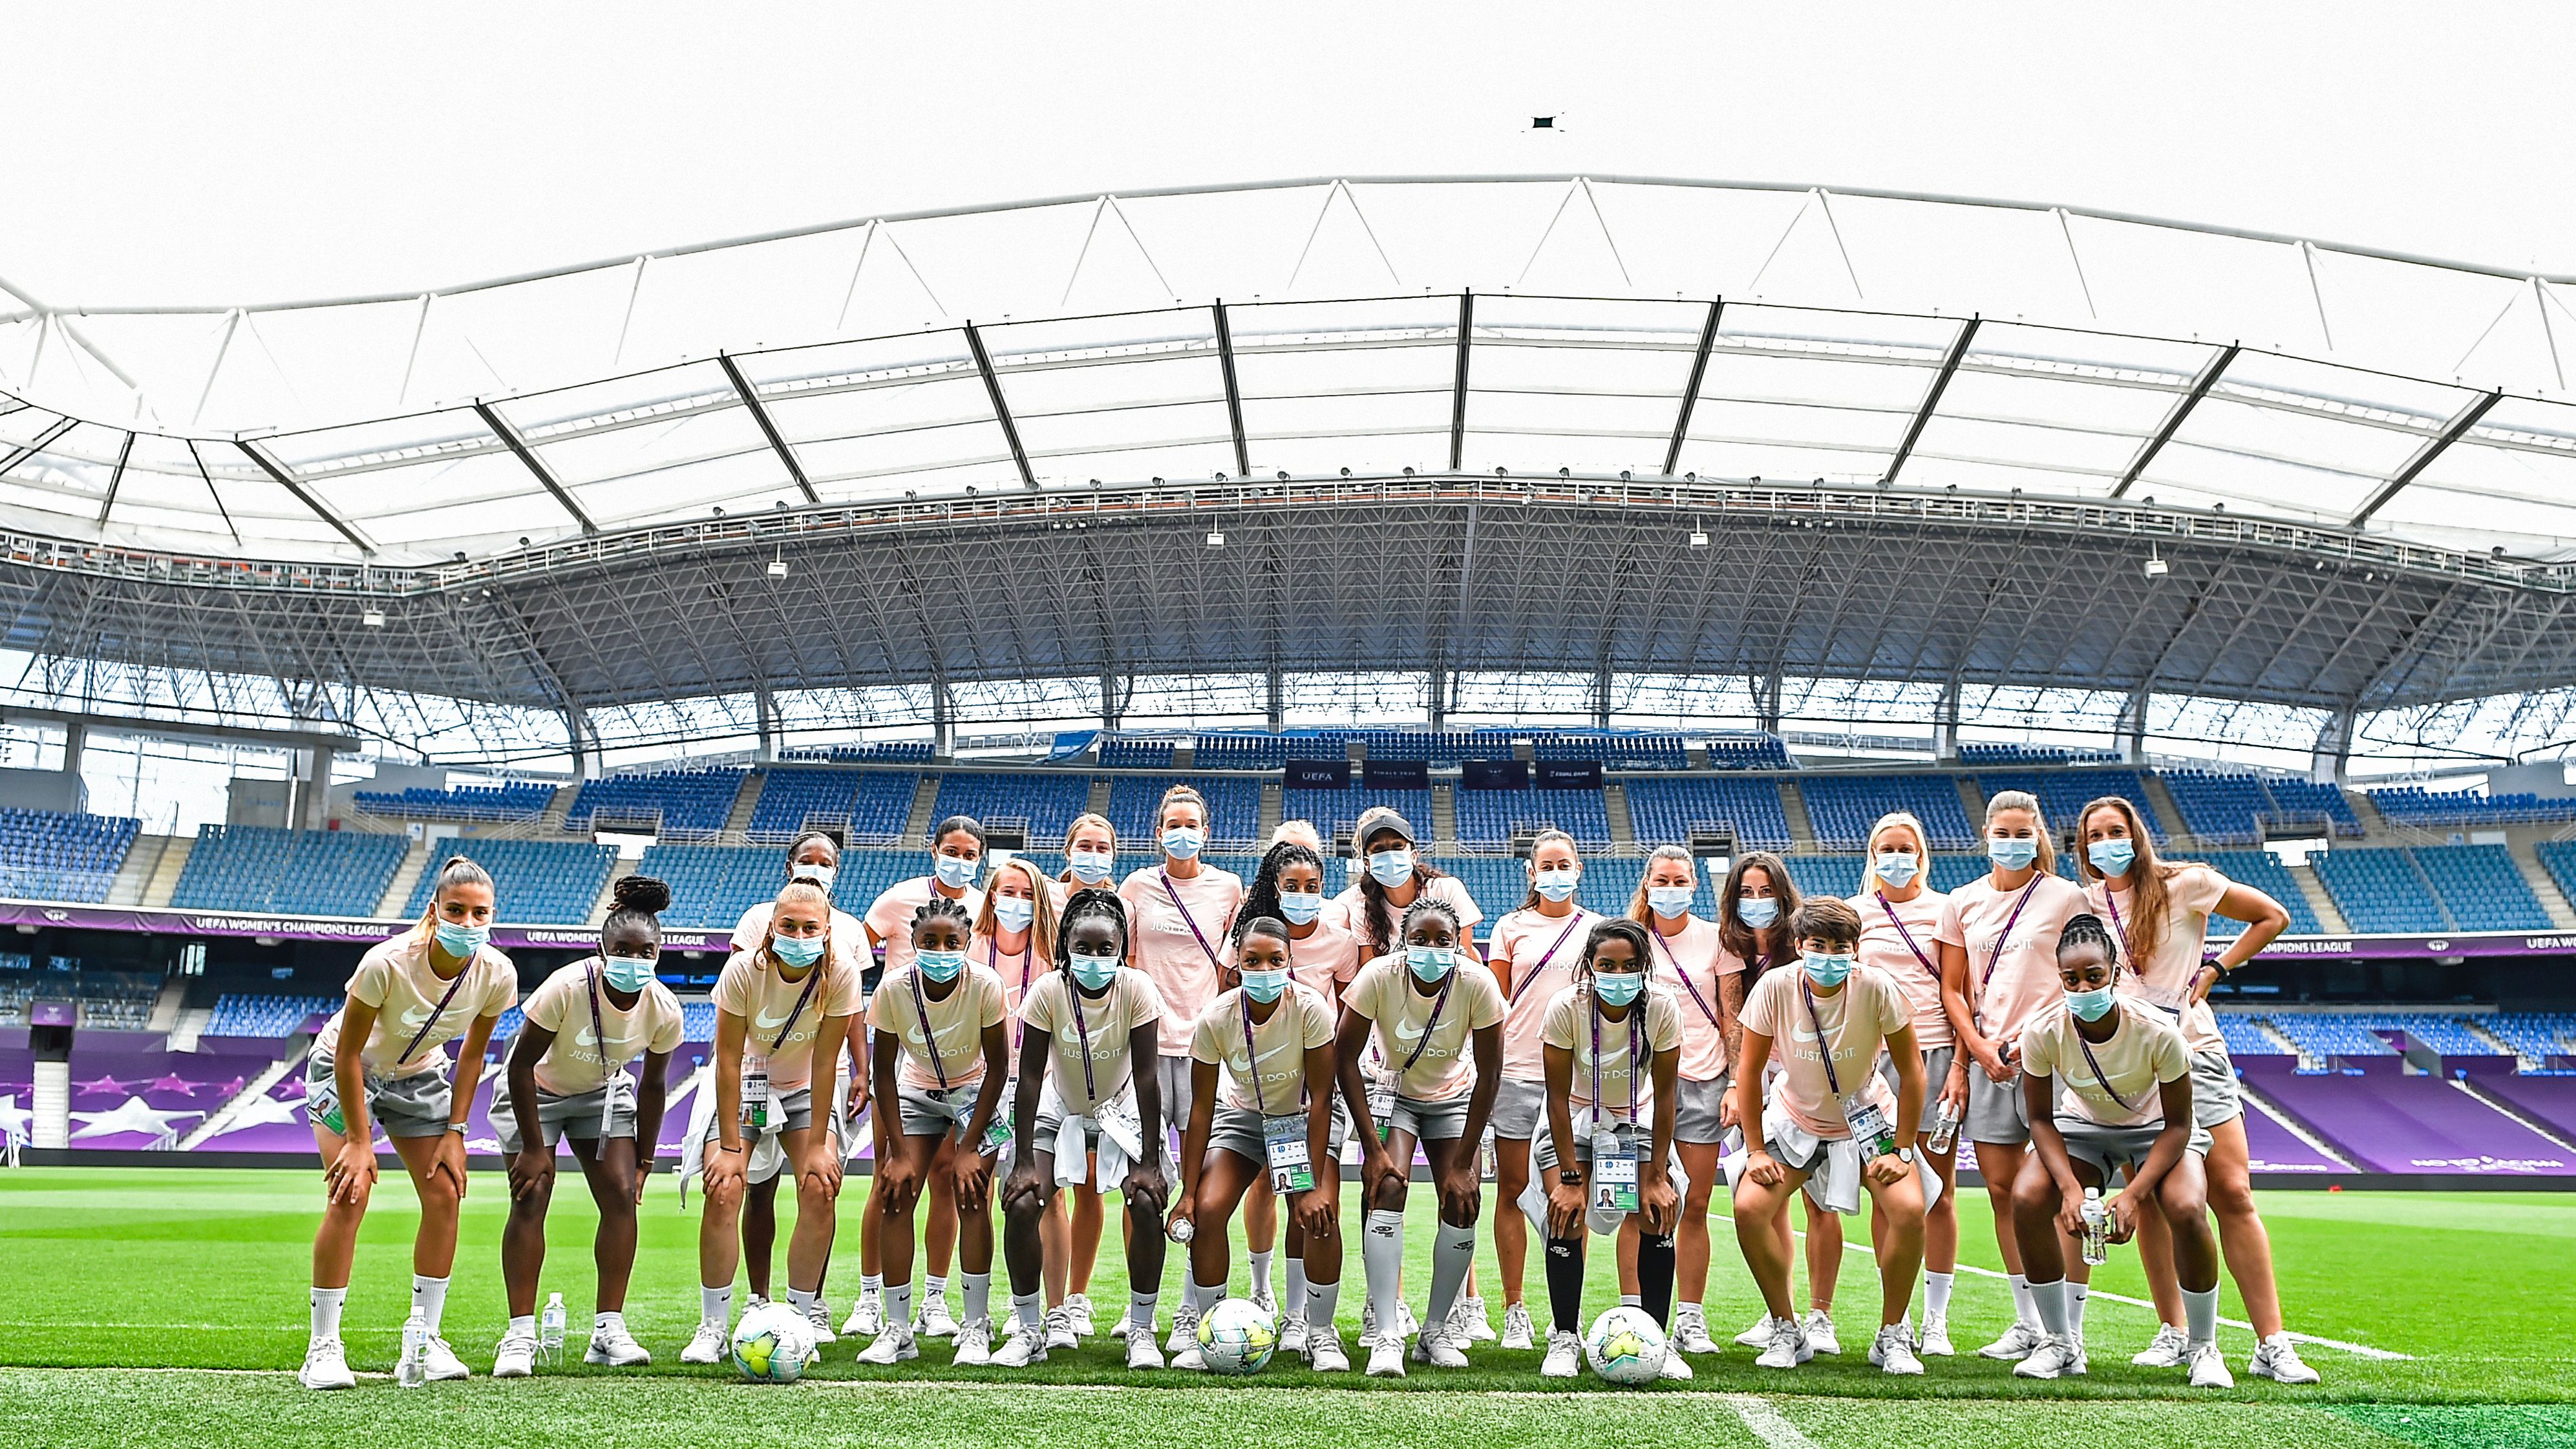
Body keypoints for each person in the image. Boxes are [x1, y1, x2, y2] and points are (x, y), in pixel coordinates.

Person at [2074, 796, 2317, 1384]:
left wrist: (2215, 970)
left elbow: (2271, 915)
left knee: (2231, 1192)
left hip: (2194, 1052)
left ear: (2136, 834)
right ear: (2082, 849)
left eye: (2117, 830)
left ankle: (2271, 1344)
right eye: (2095, 835)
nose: (2107, 841)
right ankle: (2175, 1332)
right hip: (2126, 1064)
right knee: (2152, 1196)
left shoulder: (2187, 883)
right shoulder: (2082, 903)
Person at [298, 856, 517, 1390]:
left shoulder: (496, 973)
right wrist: (357, 1139)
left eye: (479, 914)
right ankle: (322, 1349)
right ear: (433, 910)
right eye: (456, 911)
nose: (468, 924)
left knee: (445, 1193)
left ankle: (423, 1340)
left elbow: (471, 1057)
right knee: (350, 1192)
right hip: (345, 1068)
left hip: (419, 1074)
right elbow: (349, 1052)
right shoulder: (386, 963)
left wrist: (456, 1133)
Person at [2010, 913, 2230, 1386]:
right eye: (2071, 978)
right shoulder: (2042, 1031)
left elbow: (2177, 1125)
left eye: (2094, 976)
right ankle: (2059, 1343)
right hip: (2081, 1127)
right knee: (2027, 1198)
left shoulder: (2158, 1031)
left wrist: (2131, 1196)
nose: (2083, 987)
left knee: (2187, 1207)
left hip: (2155, 1128)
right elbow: (2042, 1120)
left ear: (2114, 973)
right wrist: (2070, 1190)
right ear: (2060, 977)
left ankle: (2203, 1347)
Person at [493, 875, 682, 1376]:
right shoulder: (567, 987)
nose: (634, 961)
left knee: (621, 1197)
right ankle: (519, 1336)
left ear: (659, 955)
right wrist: (535, 1148)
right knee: (531, 1194)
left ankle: (607, 1329)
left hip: (601, 1094)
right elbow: (519, 1066)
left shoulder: (664, 1008)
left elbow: (654, 1087)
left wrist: (645, 1161)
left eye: (646, 953)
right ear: (603, 949)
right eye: (623, 950)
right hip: (536, 1093)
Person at [1731, 898, 1930, 1376]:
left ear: (1855, 949)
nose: (1828, 954)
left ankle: (1892, 1334)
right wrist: (1755, 1149)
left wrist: (1902, 1150)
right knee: (1749, 1208)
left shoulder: (1877, 988)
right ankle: (1786, 1326)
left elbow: (1912, 1071)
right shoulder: (1775, 987)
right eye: (1817, 944)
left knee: (1906, 1208)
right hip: (1795, 1119)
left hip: (1866, 1118)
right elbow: (1749, 1069)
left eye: (1839, 945)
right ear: (1799, 946)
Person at [683, 880, 861, 1366]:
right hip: (744, 1083)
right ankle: (713, 1327)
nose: (798, 935)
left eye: (810, 927)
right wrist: (730, 1146)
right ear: (771, 929)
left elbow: (826, 1063)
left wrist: (823, 1145)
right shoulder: (743, 970)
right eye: (788, 926)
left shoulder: (841, 974)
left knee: (820, 1185)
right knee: (724, 1186)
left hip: (802, 1086)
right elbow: (726, 1059)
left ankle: (799, 1323)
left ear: (826, 931)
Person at [995, 887, 1173, 1369]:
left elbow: (1147, 1076)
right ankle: (1031, 1328)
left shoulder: (1136, 988)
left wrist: (1151, 1161)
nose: (1094, 957)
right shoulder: (1049, 990)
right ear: (1065, 948)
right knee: (1025, 1200)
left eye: (1105, 949)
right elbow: (1029, 1076)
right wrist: (1024, 1161)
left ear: (1120, 949)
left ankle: (1141, 1330)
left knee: (1145, 1200)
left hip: (1122, 1110)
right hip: (1062, 1107)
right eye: (1083, 948)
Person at [1941, 788, 2088, 1363]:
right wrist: (1973, 1050)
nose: (2010, 842)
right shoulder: (1962, 901)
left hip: (2054, 1060)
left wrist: (2033, 1038)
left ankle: (2069, 1330)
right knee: (2003, 1194)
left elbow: (2085, 974)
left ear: (2037, 835)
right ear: (1985, 836)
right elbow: (1954, 989)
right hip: (1989, 1062)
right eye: (2000, 833)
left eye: (2020, 832)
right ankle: (2029, 1322)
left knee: (2063, 1193)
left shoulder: (2065, 896)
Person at [1334, 896, 1504, 1378]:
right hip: (1393, 1095)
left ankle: (1436, 1330)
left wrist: (1464, 1161)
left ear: (1457, 943)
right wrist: (1370, 1148)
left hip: (1453, 1098)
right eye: (1420, 939)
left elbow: (1491, 1074)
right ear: (1403, 942)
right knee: (1387, 1186)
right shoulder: (1379, 977)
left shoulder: (1477, 982)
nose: (1431, 948)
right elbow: (1344, 1058)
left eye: (1442, 940)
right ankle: (1387, 1331)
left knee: (1463, 1198)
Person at [1170, 913, 1348, 1371]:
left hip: (1300, 1119)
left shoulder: (1310, 1008)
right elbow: (1201, 1110)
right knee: (1208, 1212)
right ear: (1237, 961)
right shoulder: (1217, 1017)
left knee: (1320, 1213)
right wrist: (1188, 1193)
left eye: (1275, 960)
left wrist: (1308, 1185)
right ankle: (1208, 1329)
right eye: (1253, 960)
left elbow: (1324, 1097)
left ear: (1289, 961)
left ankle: (1318, 1333)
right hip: (1243, 1118)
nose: (1264, 970)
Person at [1527, 918, 1690, 1380]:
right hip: (1575, 1120)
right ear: (1590, 966)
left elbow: (1665, 1096)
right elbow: (1556, 1099)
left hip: (1634, 1120)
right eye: (1607, 965)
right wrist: (1570, 1178)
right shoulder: (1566, 1007)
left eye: (1630, 965)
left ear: (1644, 967)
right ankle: (1563, 1337)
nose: (1618, 975)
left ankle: (1657, 1337)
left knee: (1659, 1209)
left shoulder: (1660, 1006)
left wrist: (1657, 1175)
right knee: (1566, 1211)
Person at [858, 896, 1012, 1365]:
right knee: (896, 1193)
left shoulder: (986, 985)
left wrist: (969, 1148)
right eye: (930, 941)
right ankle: (898, 1329)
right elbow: (882, 1071)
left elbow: (999, 1068)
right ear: (913, 943)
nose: (941, 950)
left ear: (967, 944)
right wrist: (899, 1153)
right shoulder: (893, 989)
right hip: (916, 1091)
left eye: (951, 942)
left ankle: (974, 1327)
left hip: (973, 1090)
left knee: (971, 1192)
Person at [728, 832, 869, 1346]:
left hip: (812, 1074)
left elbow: (848, 1012)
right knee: (756, 1187)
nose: (815, 867)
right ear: (789, 864)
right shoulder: (755, 919)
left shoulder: (850, 933)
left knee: (818, 1181)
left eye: (825, 861)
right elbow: (750, 991)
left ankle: (808, 1305)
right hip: (757, 1072)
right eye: (807, 859)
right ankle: (757, 1297)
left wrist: (861, 1067)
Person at [1232, 834, 1365, 1357]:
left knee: (1303, 1192)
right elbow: (1234, 1004)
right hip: (1259, 1087)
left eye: (1312, 886)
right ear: (1276, 887)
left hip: (1311, 1091)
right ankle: (1261, 1286)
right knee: (1261, 1184)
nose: (1302, 893)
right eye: (1292, 886)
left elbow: (1352, 1011)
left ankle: (1297, 1316)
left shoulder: (1339, 940)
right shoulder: (1252, 934)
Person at [1848, 812, 1972, 1357]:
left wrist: (1961, 1066)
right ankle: (1890, 1316)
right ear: (1871, 856)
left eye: (1906, 848)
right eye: (1885, 848)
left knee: (1938, 1192)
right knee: (1886, 1190)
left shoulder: (1946, 909)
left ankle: (1936, 1319)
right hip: (1874, 1063)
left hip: (1935, 1056)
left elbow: (1957, 991)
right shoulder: (1856, 913)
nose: (1896, 858)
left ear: (1922, 855)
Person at [860, 816, 988, 1340]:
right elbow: (853, 948)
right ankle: (872, 1298)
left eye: (970, 852)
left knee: (952, 1180)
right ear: (933, 849)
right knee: (889, 1179)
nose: (960, 859)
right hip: (905, 1063)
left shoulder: (985, 907)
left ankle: (937, 1300)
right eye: (951, 850)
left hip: (966, 1070)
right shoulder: (899, 899)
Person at [1712, 851, 1835, 1352]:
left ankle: (1821, 1316)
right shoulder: (1728, 948)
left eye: (1766, 892)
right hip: (1755, 1082)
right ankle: (1778, 1313)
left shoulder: (1804, 947)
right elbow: (1732, 1021)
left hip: (1808, 1080)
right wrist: (1735, 1088)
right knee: (1770, 1197)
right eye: (1746, 892)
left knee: (1820, 1203)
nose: (1757, 902)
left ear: (1784, 896)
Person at [1482, 829, 1597, 1351]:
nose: (1555, 873)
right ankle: (1514, 1308)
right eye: (1545, 865)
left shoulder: (1596, 929)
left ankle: (1563, 1314)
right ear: (1530, 872)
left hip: (1575, 1082)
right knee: (1509, 1190)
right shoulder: (1510, 927)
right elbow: (1492, 1001)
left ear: (1579, 868)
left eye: (1563, 864)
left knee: (1568, 1196)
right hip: (1516, 1072)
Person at [972, 854, 1085, 1347]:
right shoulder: (971, 947)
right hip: (979, 1085)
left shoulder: (1052, 954)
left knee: (1049, 1196)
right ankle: (984, 1313)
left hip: (1039, 1085)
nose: (1014, 901)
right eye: (1005, 891)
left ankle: (1054, 1311)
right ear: (990, 896)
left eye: (1024, 893)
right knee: (978, 1195)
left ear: (1039, 899)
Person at [1626, 844, 1734, 1359]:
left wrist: (1735, 1082)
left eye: (1680, 881)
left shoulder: (1717, 940)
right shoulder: (1628, 942)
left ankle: (1689, 1319)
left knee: (1693, 1207)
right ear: (1646, 884)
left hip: (1702, 1080)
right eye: (1661, 881)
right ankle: (1633, 1318)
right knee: (1634, 1207)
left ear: (1695, 884)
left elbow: (1731, 1015)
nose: (1670, 890)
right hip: (1638, 1088)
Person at [1117, 785, 1244, 1194]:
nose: (1182, 833)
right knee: (1140, 1170)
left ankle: (1194, 1256)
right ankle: (1145, 1256)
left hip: (1201, 1046)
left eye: (1192, 825)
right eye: (1174, 825)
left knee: (1199, 1168)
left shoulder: (1228, 887)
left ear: (1206, 832)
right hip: (1147, 1042)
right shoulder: (1137, 886)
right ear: (1159, 833)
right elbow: (1127, 960)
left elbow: (1231, 968)